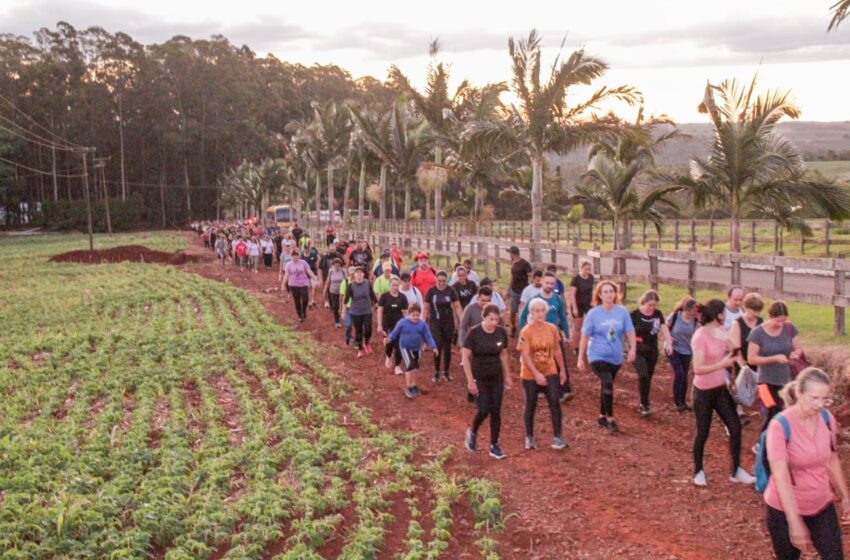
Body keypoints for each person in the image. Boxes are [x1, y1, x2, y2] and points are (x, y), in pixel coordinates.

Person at [764, 367, 850, 560]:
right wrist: (794, 521)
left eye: (825, 398)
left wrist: (845, 497)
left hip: (821, 503)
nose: (820, 404)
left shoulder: (827, 419)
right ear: (799, 393)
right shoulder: (780, 426)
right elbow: (780, 477)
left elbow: (832, 459)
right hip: (783, 508)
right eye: (814, 398)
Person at [690, 298, 755, 487]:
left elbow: (735, 349)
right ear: (719, 315)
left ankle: (736, 470)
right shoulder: (699, 337)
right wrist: (723, 363)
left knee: (735, 426)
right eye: (724, 312)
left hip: (720, 389)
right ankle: (698, 471)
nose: (726, 315)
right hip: (702, 392)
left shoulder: (720, 332)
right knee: (702, 431)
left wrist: (740, 364)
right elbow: (698, 368)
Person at [577, 280, 636, 434]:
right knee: (608, 382)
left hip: (616, 356)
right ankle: (610, 418)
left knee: (606, 385)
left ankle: (601, 416)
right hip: (597, 355)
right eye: (605, 292)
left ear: (615, 293)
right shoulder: (593, 313)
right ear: (600, 295)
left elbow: (630, 332)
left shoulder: (622, 312)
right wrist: (580, 358)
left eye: (611, 291)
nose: (609, 294)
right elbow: (584, 336)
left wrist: (632, 349)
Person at [463, 303, 513, 460]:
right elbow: (465, 357)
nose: (494, 323)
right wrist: (470, 381)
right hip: (480, 377)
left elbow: (504, 354)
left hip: (496, 376)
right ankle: (473, 431)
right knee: (484, 409)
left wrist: (508, 375)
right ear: (483, 317)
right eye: (491, 319)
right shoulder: (474, 333)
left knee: (496, 410)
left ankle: (494, 445)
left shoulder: (500, 332)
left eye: (496, 320)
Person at [518, 298, 567, 450]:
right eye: (536, 310)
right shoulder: (526, 331)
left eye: (542, 310)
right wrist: (536, 374)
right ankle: (529, 437)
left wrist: (563, 370)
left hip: (550, 370)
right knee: (531, 403)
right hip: (530, 373)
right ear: (531, 313)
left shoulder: (552, 328)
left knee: (554, 402)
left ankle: (557, 436)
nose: (539, 313)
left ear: (546, 312)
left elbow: (558, 351)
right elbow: (525, 356)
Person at [748, 301, 803, 434]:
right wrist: (774, 358)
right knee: (772, 412)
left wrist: (796, 353)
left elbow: (799, 348)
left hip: (785, 381)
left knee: (784, 413)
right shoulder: (757, 333)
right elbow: (751, 359)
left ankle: (776, 442)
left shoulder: (789, 328)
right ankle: (763, 442)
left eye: (783, 321)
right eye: (777, 321)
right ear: (769, 316)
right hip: (764, 382)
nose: (780, 324)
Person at [519, 272, 573, 402]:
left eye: (552, 283)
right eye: (547, 283)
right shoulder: (534, 299)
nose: (549, 285)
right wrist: (523, 335)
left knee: (560, 360)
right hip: (536, 334)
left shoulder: (558, 299)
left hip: (554, 333)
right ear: (542, 282)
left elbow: (563, 318)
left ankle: (564, 390)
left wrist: (567, 334)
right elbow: (522, 316)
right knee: (540, 360)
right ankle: (540, 388)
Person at [630, 290, 673, 417]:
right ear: (643, 302)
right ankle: (644, 404)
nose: (651, 308)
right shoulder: (635, 315)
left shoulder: (658, 315)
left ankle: (645, 402)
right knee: (643, 375)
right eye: (649, 305)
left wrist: (669, 342)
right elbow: (627, 331)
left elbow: (664, 329)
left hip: (652, 350)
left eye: (654, 305)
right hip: (638, 350)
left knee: (648, 377)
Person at [385, 303, 438, 399]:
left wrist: (434, 346)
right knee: (410, 365)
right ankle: (408, 387)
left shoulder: (422, 324)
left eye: (417, 315)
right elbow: (395, 332)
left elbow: (428, 336)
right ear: (409, 314)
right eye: (413, 315)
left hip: (417, 348)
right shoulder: (402, 322)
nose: (415, 317)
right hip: (405, 347)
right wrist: (389, 338)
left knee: (416, 367)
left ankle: (414, 385)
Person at [729, 292, 765, 428]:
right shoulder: (737, 323)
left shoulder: (762, 323)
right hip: (742, 360)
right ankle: (739, 411)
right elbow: (735, 348)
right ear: (746, 308)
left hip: (758, 359)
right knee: (740, 385)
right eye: (753, 310)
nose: (756, 313)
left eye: (758, 310)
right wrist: (743, 365)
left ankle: (765, 410)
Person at [423, 271, 462, 383]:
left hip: (448, 322)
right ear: (436, 280)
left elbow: (457, 306)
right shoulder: (431, 291)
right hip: (435, 322)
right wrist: (422, 323)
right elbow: (426, 308)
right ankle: (436, 372)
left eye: (443, 281)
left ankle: (446, 372)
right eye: (439, 281)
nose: (441, 283)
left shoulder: (451, 291)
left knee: (447, 347)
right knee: (437, 346)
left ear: (447, 281)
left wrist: (462, 320)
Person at [667, 296, 699, 412]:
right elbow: (665, 328)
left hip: (687, 350)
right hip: (673, 349)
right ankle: (677, 402)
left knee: (684, 375)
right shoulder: (675, 316)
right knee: (679, 373)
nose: (694, 313)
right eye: (692, 311)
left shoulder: (695, 321)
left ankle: (682, 401)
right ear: (686, 310)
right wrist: (669, 338)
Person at [343, 267, 378, 358]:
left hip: (367, 310)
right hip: (355, 312)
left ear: (363, 274)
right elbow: (346, 300)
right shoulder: (351, 286)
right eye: (357, 272)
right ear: (354, 275)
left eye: (360, 272)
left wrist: (376, 303)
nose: (359, 274)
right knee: (358, 331)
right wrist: (343, 312)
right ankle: (360, 349)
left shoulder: (367, 283)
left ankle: (366, 342)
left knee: (368, 329)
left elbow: (372, 294)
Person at [377, 277, 409, 374]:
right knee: (389, 343)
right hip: (387, 324)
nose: (395, 287)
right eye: (393, 285)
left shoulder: (402, 297)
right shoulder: (384, 296)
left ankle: (397, 366)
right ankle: (388, 355)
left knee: (399, 345)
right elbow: (380, 311)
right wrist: (379, 325)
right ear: (390, 285)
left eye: (397, 285)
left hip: (399, 324)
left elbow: (405, 312)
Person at [281, 250, 318, 323]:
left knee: (305, 298)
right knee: (297, 300)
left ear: (299, 257)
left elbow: (309, 271)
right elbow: (286, 275)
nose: (295, 259)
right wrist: (283, 285)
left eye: (297, 257)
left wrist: (315, 278)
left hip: (303, 283)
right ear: (291, 257)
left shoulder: (303, 263)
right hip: (293, 284)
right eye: (294, 258)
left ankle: (304, 310)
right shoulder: (289, 264)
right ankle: (300, 315)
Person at [568, 260, 595, 351]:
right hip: (578, 304)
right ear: (581, 268)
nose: (588, 271)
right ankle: (576, 347)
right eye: (586, 269)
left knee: (591, 323)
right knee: (578, 327)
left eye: (589, 269)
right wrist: (574, 308)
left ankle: (589, 344)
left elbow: (592, 291)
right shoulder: (576, 279)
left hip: (588, 304)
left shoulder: (591, 277)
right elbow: (572, 294)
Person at [507, 246, 532, 337]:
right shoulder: (513, 263)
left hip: (523, 291)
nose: (509, 255)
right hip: (515, 290)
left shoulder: (525, 263)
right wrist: (509, 289)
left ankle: (524, 330)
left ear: (513, 254)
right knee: (513, 311)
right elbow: (512, 277)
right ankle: (513, 327)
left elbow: (530, 275)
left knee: (524, 311)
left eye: (510, 253)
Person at [323, 258, 347, 328]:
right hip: (333, 291)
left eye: (338, 265)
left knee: (342, 305)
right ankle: (337, 321)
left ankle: (342, 318)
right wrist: (324, 290)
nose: (337, 266)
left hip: (342, 292)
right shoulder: (331, 271)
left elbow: (347, 281)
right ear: (333, 265)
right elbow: (328, 281)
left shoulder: (343, 271)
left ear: (340, 265)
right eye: (335, 265)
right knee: (335, 306)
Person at [338, 266, 357, 345]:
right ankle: (347, 336)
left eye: (354, 273)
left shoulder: (359, 282)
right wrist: (341, 308)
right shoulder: (345, 282)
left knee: (357, 325)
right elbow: (342, 296)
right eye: (351, 273)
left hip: (357, 307)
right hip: (348, 307)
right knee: (348, 324)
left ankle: (356, 340)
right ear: (349, 273)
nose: (352, 274)